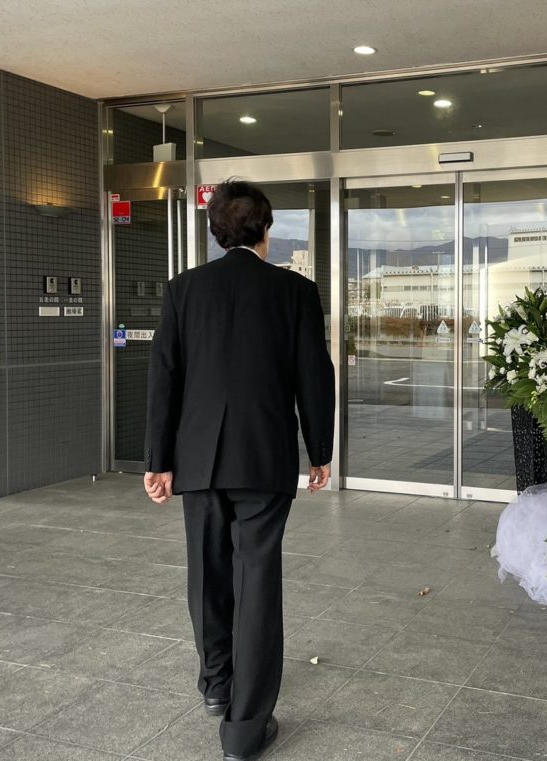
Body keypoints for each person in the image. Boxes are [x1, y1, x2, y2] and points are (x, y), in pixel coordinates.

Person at [143, 180, 334, 761]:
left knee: (206, 573)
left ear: (215, 232)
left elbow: (164, 377)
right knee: (257, 583)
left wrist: (158, 460)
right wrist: (320, 450)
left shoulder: (184, 289)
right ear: (265, 230)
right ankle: (245, 729)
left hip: (197, 460)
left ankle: (216, 684)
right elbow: (314, 375)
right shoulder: (294, 291)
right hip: (263, 459)